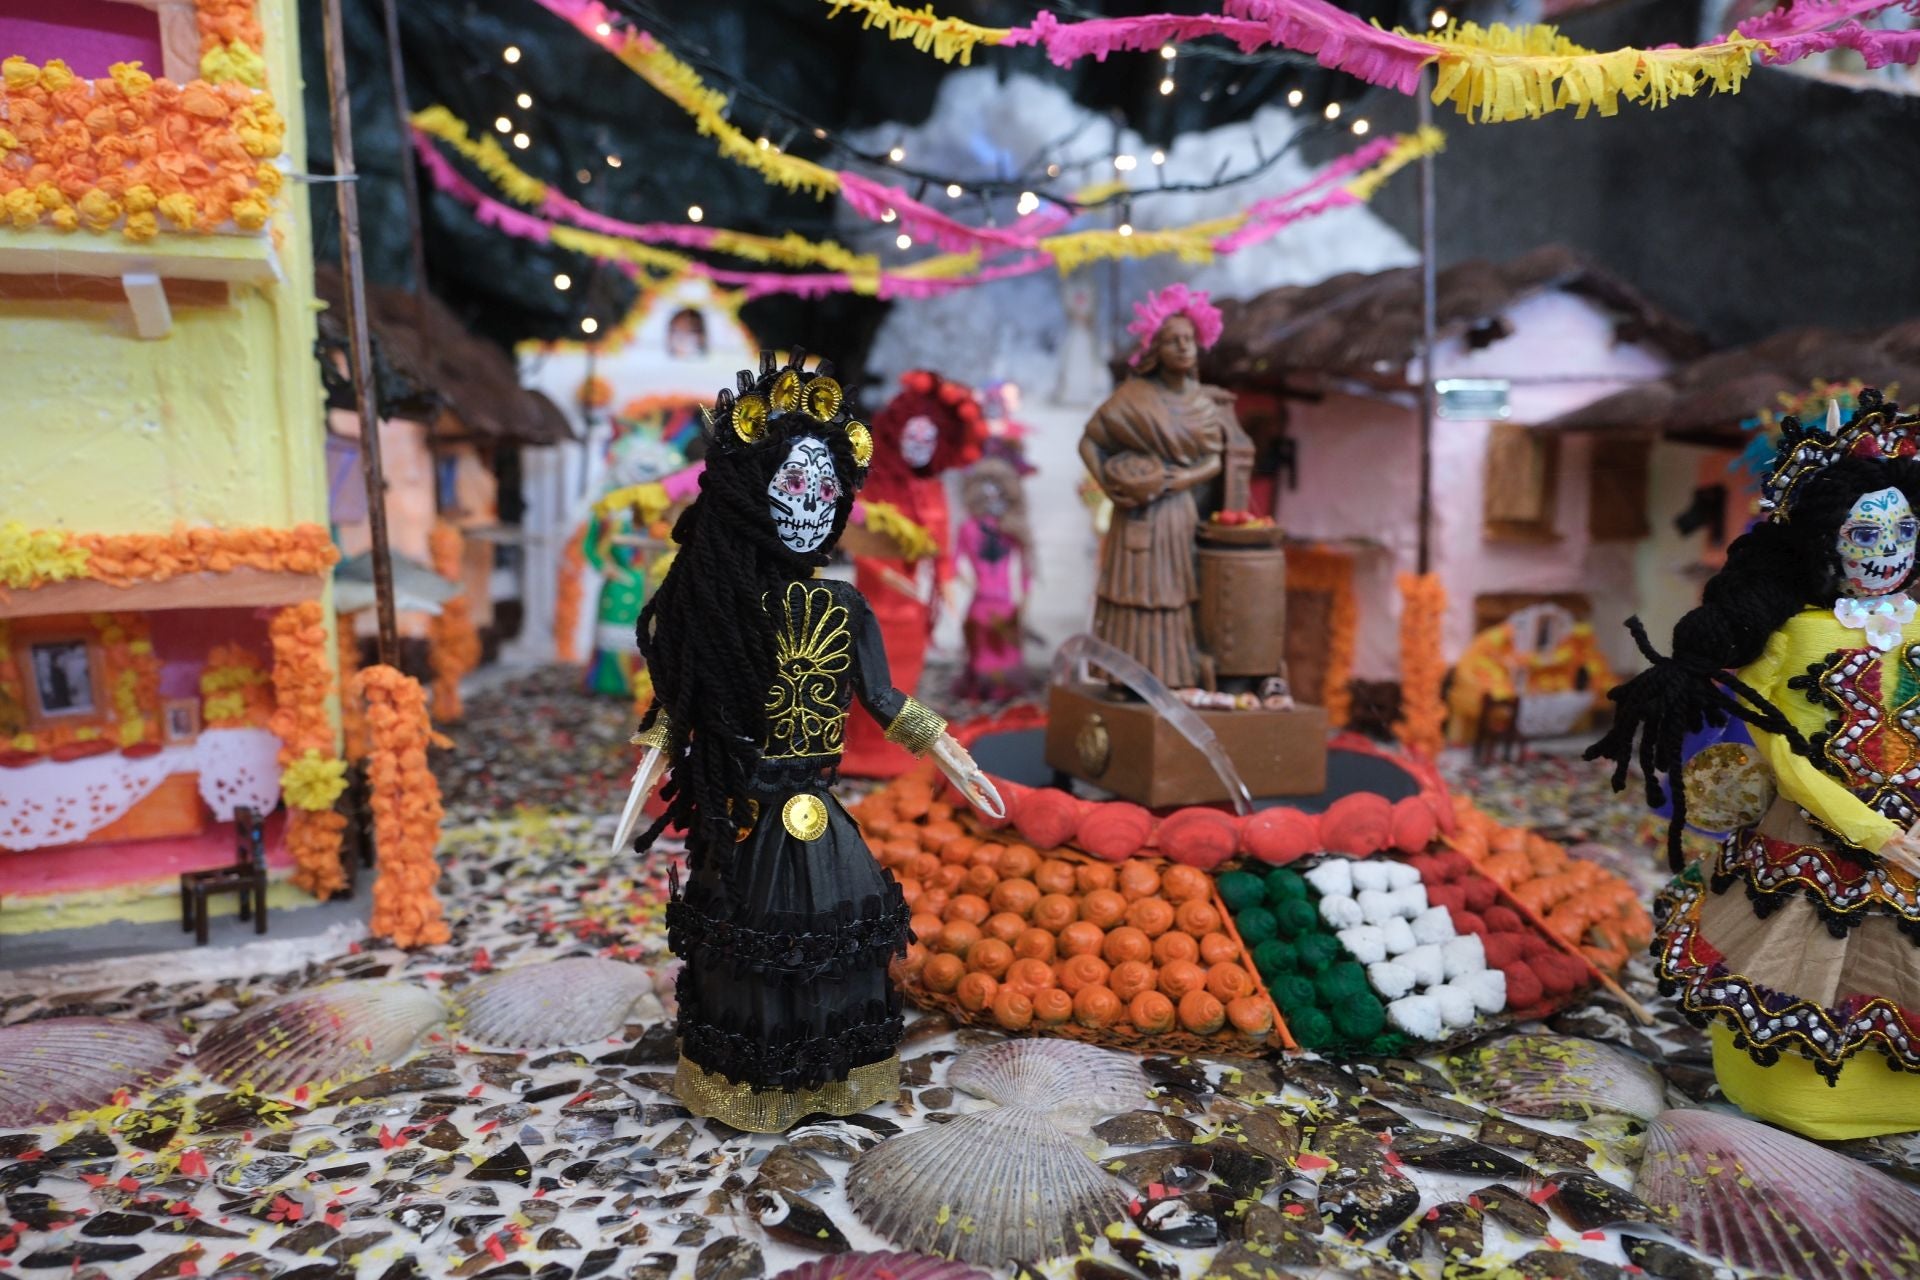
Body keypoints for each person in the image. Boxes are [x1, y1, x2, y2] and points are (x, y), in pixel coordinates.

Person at [618, 351, 1002, 1133]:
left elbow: (883, 698)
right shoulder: (721, 601)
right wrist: (652, 763)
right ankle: (752, 1080)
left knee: (836, 936)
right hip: (751, 809)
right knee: (755, 944)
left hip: (819, 808)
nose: (810, 505)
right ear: (746, 491)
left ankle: (836, 1074)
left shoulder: (847, 605)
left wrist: (948, 751)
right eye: (794, 486)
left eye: (826, 489)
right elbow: (686, 697)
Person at [1590, 391, 1920, 1139]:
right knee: (1794, 959)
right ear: (1826, 544)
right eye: (1866, 530)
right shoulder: (1795, 636)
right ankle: (1802, 1095)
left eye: (1904, 528)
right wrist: (1871, 830)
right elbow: (1785, 755)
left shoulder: (1917, 625)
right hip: (1814, 838)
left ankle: (1891, 1096)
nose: (1889, 547)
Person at [1078, 284, 1249, 690]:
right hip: (1135, 511)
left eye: (1189, 340)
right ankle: (1121, 677)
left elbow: (1214, 460)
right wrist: (1109, 485)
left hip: (1176, 514)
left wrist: (1179, 479)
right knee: (1129, 591)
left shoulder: (1205, 406)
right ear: (1157, 350)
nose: (1184, 347)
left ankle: (1171, 676)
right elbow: (1089, 442)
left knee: (1173, 594)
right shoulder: (1134, 396)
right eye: (1173, 341)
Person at [954, 457, 1032, 700]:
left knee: (1003, 650)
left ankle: (999, 688)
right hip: (987, 602)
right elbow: (954, 564)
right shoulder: (970, 528)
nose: (992, 500)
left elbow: (1026, 571)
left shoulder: (1012, 529)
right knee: (985, 651)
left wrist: (1023, 597)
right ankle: (989, 688)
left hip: (1001, 603)